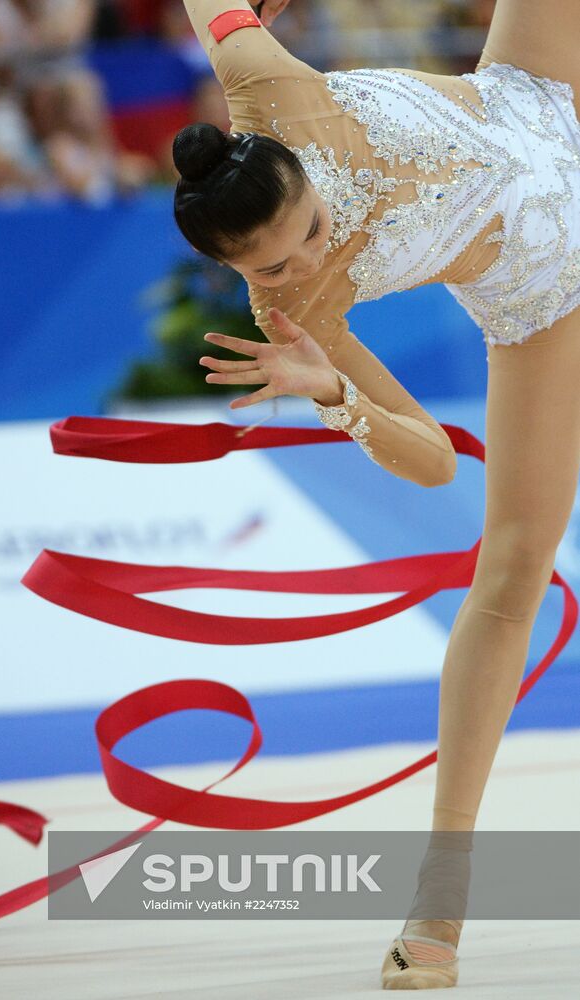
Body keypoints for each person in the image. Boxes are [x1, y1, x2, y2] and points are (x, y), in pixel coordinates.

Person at [172, 0, 580, 990]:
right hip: (545, 282)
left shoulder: (270, 88)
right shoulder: (294, 309)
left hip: (534, 94)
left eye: (306, 230)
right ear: (237, 272)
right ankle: (438, 902)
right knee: (508, 569)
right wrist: (335, 395)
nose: (306, 259)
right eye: (271, 265)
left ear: (293, 164)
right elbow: (433, 458)